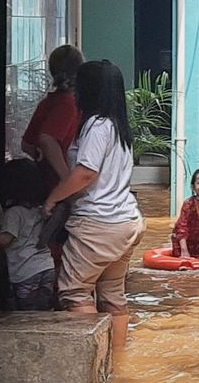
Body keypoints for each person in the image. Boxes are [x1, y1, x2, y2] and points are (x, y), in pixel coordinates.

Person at [43, 60, 145, 349]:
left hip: (98, 226)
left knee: (74, 293)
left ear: (88, 89)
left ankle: (91, 368)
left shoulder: (96, 125)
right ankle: (117, 366)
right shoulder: (118, 126)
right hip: (125, 222)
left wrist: (54, 197)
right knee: (113, 296)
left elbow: (86, 173)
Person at [0, 159, 55, 311]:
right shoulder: (40, 209)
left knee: (27, 312)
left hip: (25, 271)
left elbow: (5, 239)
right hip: (46, 266)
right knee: (43, 308)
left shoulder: (14, 213)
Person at [22, 44, 84, 186]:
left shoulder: (49, 102)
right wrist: (67, 179)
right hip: (57, 184)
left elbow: (26, 144)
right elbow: (47, 139)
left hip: (46, 180)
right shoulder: (68, 105)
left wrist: (40, 157)